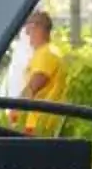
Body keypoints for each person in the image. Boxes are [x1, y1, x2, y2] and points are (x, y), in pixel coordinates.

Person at [17, 7, 68, 136]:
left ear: (37, 27)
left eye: (28, 28)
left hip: (39, 125)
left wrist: (14, 114)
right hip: (41, 124)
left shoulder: (46, 53)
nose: (27, 34)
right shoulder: (45, 53)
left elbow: (32, 87)